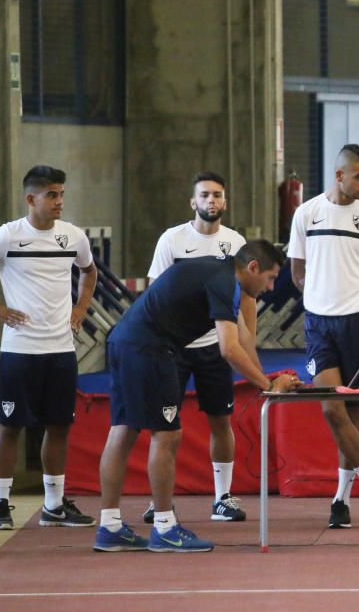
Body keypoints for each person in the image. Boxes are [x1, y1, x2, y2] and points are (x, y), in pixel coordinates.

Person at [94, 240, 299, 552]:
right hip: (151, 349)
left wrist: (266, 380)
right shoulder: (225, 282)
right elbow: (228, 349)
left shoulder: (222, 273)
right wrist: (268, 387)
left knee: (123, 429)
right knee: (167, 436)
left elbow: (243, 339)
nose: (270, 288)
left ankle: (108, 527)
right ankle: (165, 527)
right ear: (253, 268)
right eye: (270, 278)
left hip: (125, 342)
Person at [0, 165, 98, 531]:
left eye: (61, 194)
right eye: (52, 195)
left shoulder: (74, 237)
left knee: (59, 426)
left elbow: (89, 272)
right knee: (10, 426)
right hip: (19, 350)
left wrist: (80, 308)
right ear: (31, 199)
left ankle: (54, 505)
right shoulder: (7, 237)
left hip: (60, 350)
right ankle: (1, 504)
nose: (59, 201)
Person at [288, 144, 359, 530]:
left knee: (352, 413)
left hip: (357, 322)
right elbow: (297, 271)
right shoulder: (307, 213)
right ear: (338, 175)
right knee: (330, 408)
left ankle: (340, 501)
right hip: (318, 324)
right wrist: (320, 296)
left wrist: (355, 300)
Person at [143, 171, 252, 523]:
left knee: (221, 421)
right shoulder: (171, 240)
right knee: (164, 425)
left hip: (215, 346)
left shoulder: (236, 244)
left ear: (225, 201)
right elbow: (154, 294)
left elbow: (246, 300)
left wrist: (249, 345)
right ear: (193, 202)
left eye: (217, 195)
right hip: (172, 347)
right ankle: (159, 501)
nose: (211, 201)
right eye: (204, 195)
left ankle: (223, 497)